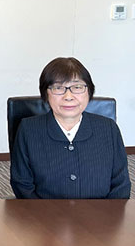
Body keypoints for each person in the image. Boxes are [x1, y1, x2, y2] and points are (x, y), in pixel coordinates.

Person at [10, 57, 131, 199]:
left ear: (89, 91)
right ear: (46, 93)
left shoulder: (108, 129)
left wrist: (106, 218)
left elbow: (121, 185)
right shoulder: (28, 130)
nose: (68, 96)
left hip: (101, 218)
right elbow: (22, 185)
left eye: (77, 87)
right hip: (44, 218)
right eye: (58, 88)